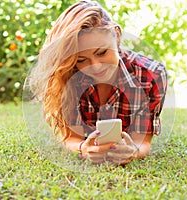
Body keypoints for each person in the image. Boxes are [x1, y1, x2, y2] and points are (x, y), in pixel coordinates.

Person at [29, 1, 167, 165]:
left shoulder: (151, 76)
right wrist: (83, 149)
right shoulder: (68, 76)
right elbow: (71, 138)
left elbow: (142, 142)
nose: (95, 66)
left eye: (101, 52)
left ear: (116, 35)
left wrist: (132, 152)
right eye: (81, 59)